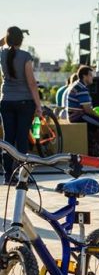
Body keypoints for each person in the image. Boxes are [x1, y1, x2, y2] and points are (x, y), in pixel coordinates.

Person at [0, 26, 43, 183]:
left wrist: (6, 39)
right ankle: (22, 176)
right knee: (22, 138)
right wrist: (38, 106)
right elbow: (31, 83)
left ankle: (7, 175)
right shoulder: (25, 56)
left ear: (7, 39)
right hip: (25, 102)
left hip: (6, 101)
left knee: (8, 139)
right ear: (22, 41)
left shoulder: (2, 54)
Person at [66, 65, 99, 158]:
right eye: (91, 75)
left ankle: (96, 149)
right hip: (77, 116)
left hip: (76, 115)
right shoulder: (81, 88)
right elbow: (87, 109)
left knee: (98, 124)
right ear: (84, 76)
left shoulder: (78, 85)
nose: (93, 77)